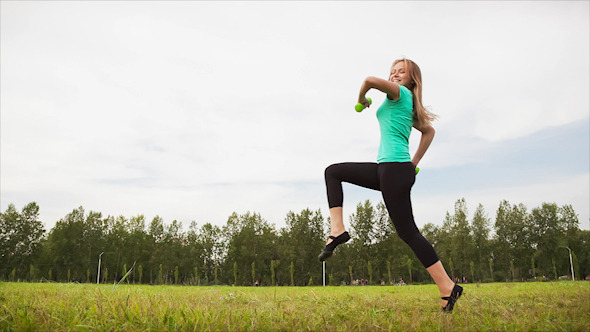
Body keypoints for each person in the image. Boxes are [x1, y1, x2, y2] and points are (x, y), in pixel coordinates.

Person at [318, 58, 463, 313]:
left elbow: (369, 81)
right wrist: (414, 163)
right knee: (333, 172)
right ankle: (337, 230)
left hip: (394, 170)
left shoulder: (400, 93)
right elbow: (428, 132)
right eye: (392, 71)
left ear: (411, 79)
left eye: (401, 72)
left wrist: (362, 99)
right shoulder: (404, 104)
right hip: (389, 169)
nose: (395, 75)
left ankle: (448, 287)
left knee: (409, 233)